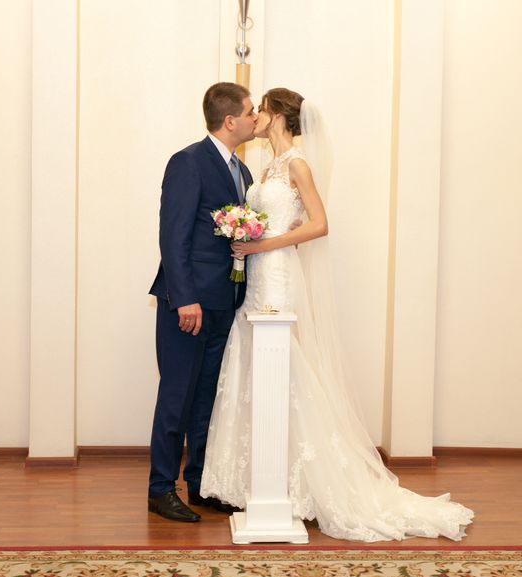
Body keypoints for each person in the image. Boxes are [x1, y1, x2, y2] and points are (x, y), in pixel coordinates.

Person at [200, 88, 474, 541]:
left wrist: (262, 244)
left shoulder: (297, 164)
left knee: (284, 367)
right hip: (256, 275)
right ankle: (264, 481)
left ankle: (307, 483)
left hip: (276, 274)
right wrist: (249, 236)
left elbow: (319, 224)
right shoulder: (265, 166)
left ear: (279, 116)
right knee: (257, 366)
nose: (257, 116)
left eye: (262, 108)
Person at [147, 82, 257, 522]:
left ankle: (198, 483)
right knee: (177, 395)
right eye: (250, 112)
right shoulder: (188, 162)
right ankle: (160, 489)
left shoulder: (243, 171)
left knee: (207, 397)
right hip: (189, 304)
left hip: (224, 301)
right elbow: (173, 236)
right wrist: (185, 298)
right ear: (230, 121)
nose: (255, 118)